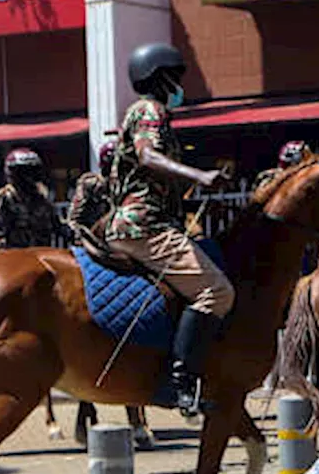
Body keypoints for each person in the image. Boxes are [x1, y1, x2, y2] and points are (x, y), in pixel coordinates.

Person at [105, 42, 236, 418]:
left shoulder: (145, 113)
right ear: (158, 77)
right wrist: (199, 175)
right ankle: (179, 383)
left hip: (142, 221)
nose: (180, 86)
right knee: (217, 291)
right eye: (175, 77)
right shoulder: (150, 110)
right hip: (144, 226)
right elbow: (148, 156)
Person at [0, 147, 58, 251]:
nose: (28, 177)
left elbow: (55, 223)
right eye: (23, 172)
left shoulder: (43, 195)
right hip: (16, 256)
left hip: (43, 252)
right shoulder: (5, 197)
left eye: (31, 171)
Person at [66, 140, 117, 238]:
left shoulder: (127, 184)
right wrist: (79, 234)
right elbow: (76, 215)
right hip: (91, 235)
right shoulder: (92, 183)